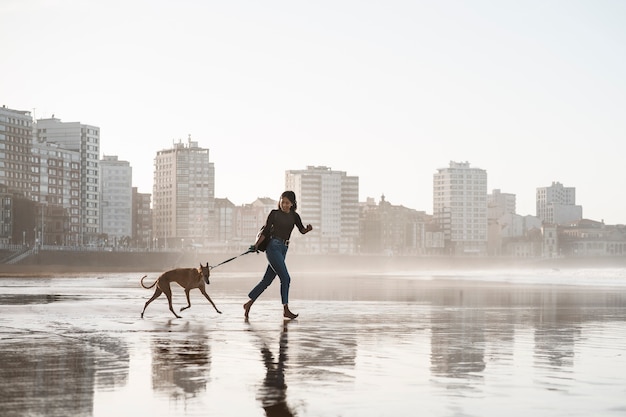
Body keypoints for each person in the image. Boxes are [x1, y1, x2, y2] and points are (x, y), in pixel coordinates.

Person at [244, 191, 313, 320]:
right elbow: (265, 231)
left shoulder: (294, 216)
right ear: (280, 201)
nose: (284, 204)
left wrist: (307, 230)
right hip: (273, 247)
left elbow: (301, 230)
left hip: (284, 249)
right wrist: (256, 245)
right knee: (286, 278)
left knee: (267, 281)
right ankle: (285, 309)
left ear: (292, 204)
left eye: (287, 203)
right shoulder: (274, 214)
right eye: (282, 201)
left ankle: (248, 304)